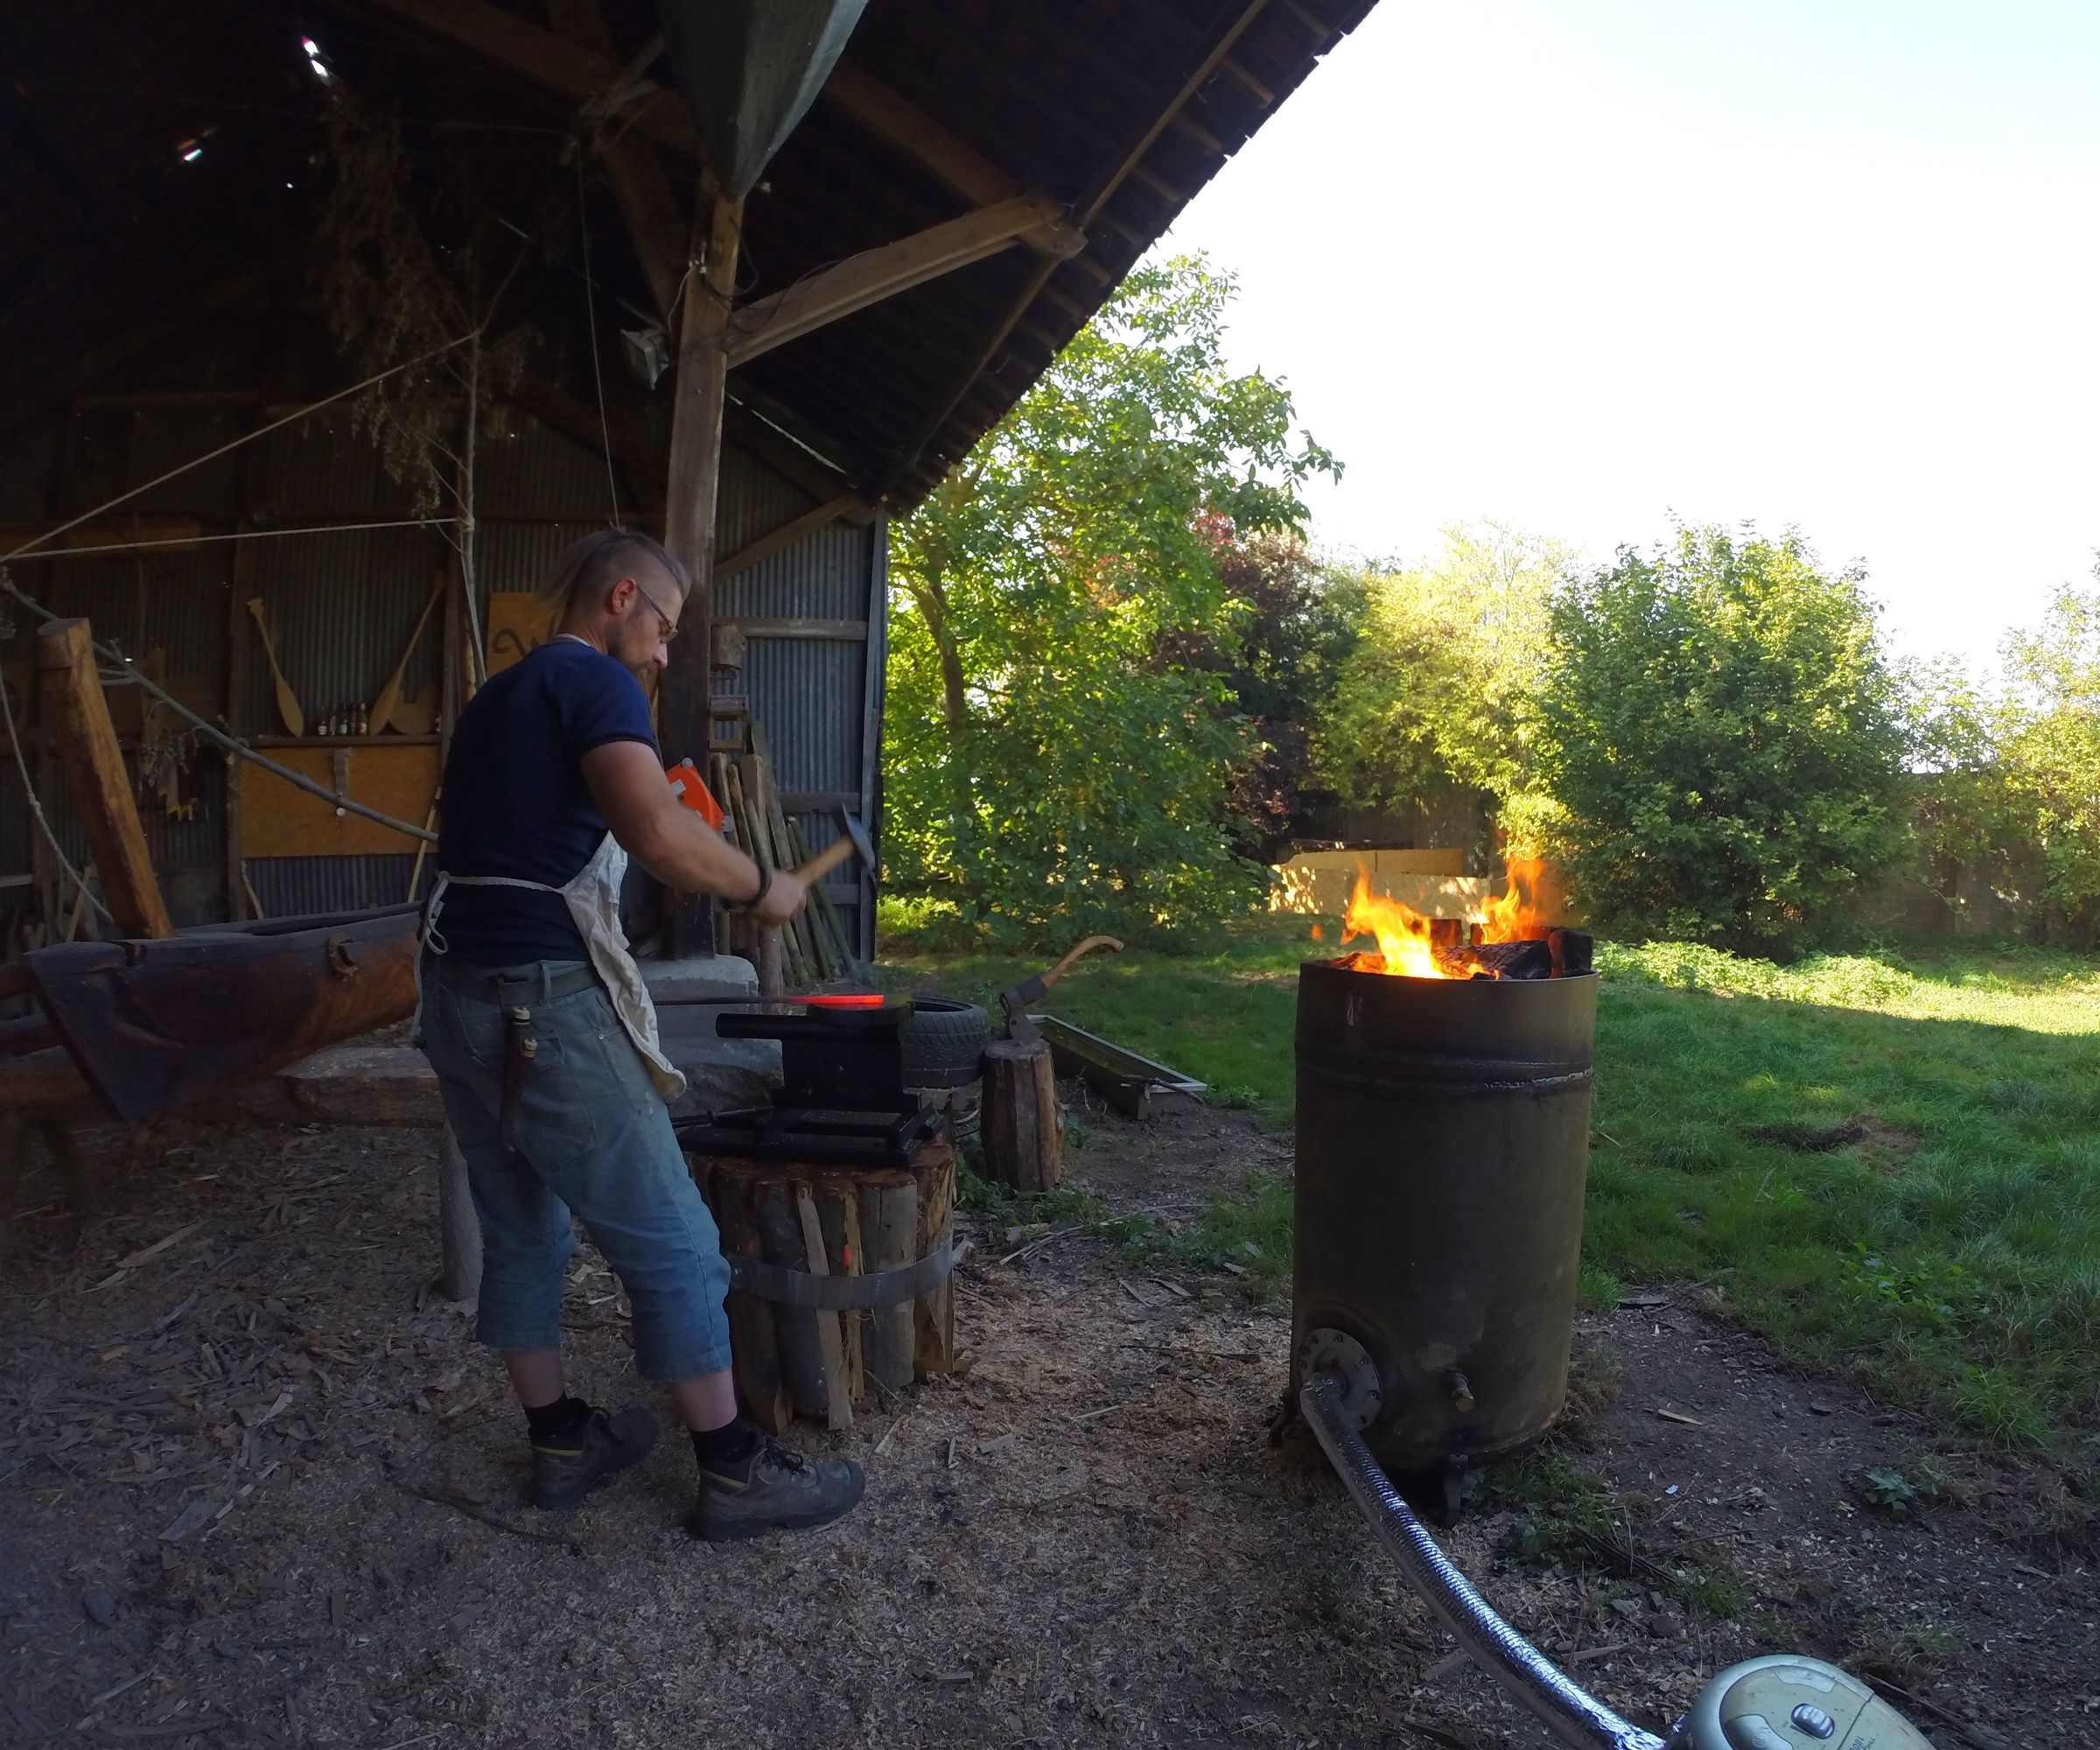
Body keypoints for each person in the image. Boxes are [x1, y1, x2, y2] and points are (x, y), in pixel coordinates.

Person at [415, 528, 864, 1539]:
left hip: (454, 991)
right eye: (663, 627)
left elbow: (615, 814)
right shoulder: (599, 683)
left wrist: (687, 815)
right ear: (622, 598)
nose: (664, 653)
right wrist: (763, 883)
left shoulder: (500, 696)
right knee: (673, 1238)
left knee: (521, 1222)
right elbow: (654, 838)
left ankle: (561, 1439)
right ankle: (735, 1469)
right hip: (544, 1002)